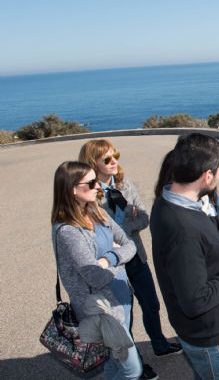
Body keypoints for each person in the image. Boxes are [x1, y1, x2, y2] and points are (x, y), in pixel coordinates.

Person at [150, 133, 219, 380]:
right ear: (207, 175)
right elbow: (196, 301)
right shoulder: (183, 230)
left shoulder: (171, 200)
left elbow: (206, 227)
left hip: (211, 331)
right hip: (213, 339)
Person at [79, 140, 181, 379]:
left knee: (151, 304)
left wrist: (122, 231)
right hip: (112, 265)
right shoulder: (89, 194)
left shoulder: (125, 185)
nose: (114, 162)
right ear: (93, 163)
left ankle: (160, 344)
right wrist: (120, 232)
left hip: (135, 255)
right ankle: (136, 364)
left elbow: (143, 217)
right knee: (125, 316)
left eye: (115, 156)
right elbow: (93, 232)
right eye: (107, 159)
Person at [51, 161, 141, 379]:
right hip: (102, 309)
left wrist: (107, 258)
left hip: (121, 297)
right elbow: (95, 276)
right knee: (131, 370)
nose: (98, 187)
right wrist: (116, 257)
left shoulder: (97, 212)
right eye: (91, 183)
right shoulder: (68, 232)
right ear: (72, 188)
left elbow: (130, 244)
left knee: (112, 362)